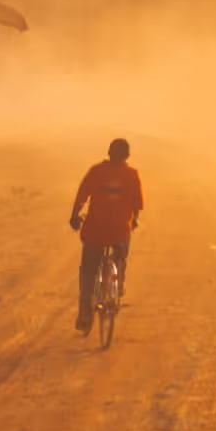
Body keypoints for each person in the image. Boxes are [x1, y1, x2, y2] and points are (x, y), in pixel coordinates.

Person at [69, 138, 144, 333]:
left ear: (109, 153)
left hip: (95, 231)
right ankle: (118, 285)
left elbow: (81, 196)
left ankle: (85, 310)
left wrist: (75, 216)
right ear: (127, 156)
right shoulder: (132, 175)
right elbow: (137, 206)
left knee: (87, 270)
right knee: (121, 253)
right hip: (119, 231)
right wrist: (133, 219)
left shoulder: (96, 172)